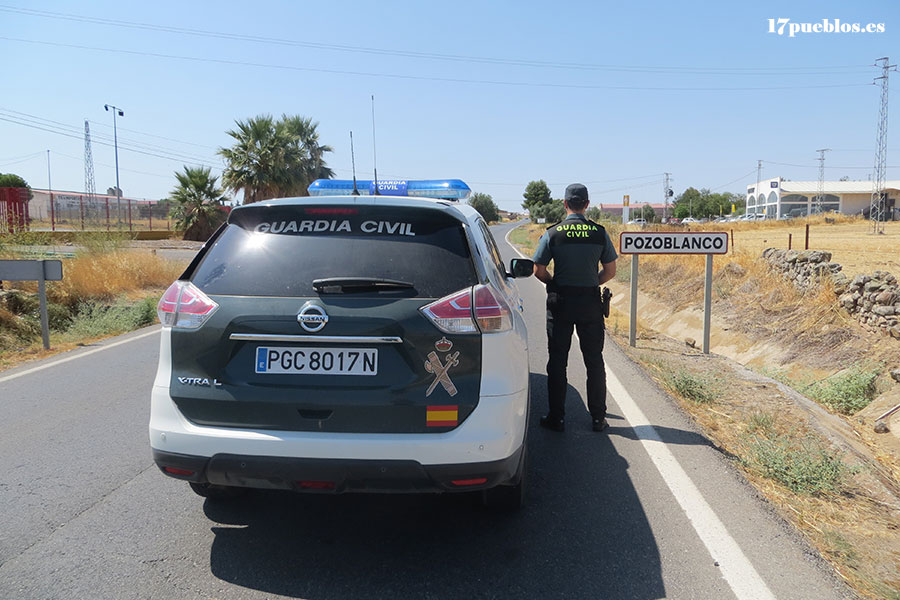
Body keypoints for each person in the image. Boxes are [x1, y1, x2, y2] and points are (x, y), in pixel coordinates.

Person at [532, 183, 618, 432]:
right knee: (594, 361)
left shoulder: (553, 233)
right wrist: (591, 283)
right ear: (587, 204)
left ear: (565, 203)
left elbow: (538, 270)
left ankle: (557, 418)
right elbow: (610, 271)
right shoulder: (599, 233)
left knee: (558, 361)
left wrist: (554, 283)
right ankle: (598, 418)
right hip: (590, 303)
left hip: (561, 302)